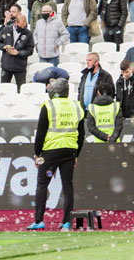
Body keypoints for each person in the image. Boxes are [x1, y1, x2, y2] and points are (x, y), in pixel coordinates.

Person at [25, 77, 85, 231]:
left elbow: (41, 133)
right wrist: (76, 154)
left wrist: (37, 153)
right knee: (68, 186)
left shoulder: (48, 106)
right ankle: (66, 222)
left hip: (50, 151)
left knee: (42, 185)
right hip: (69, 150)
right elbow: (81, 134)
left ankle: (39, 220)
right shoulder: (77, 106)